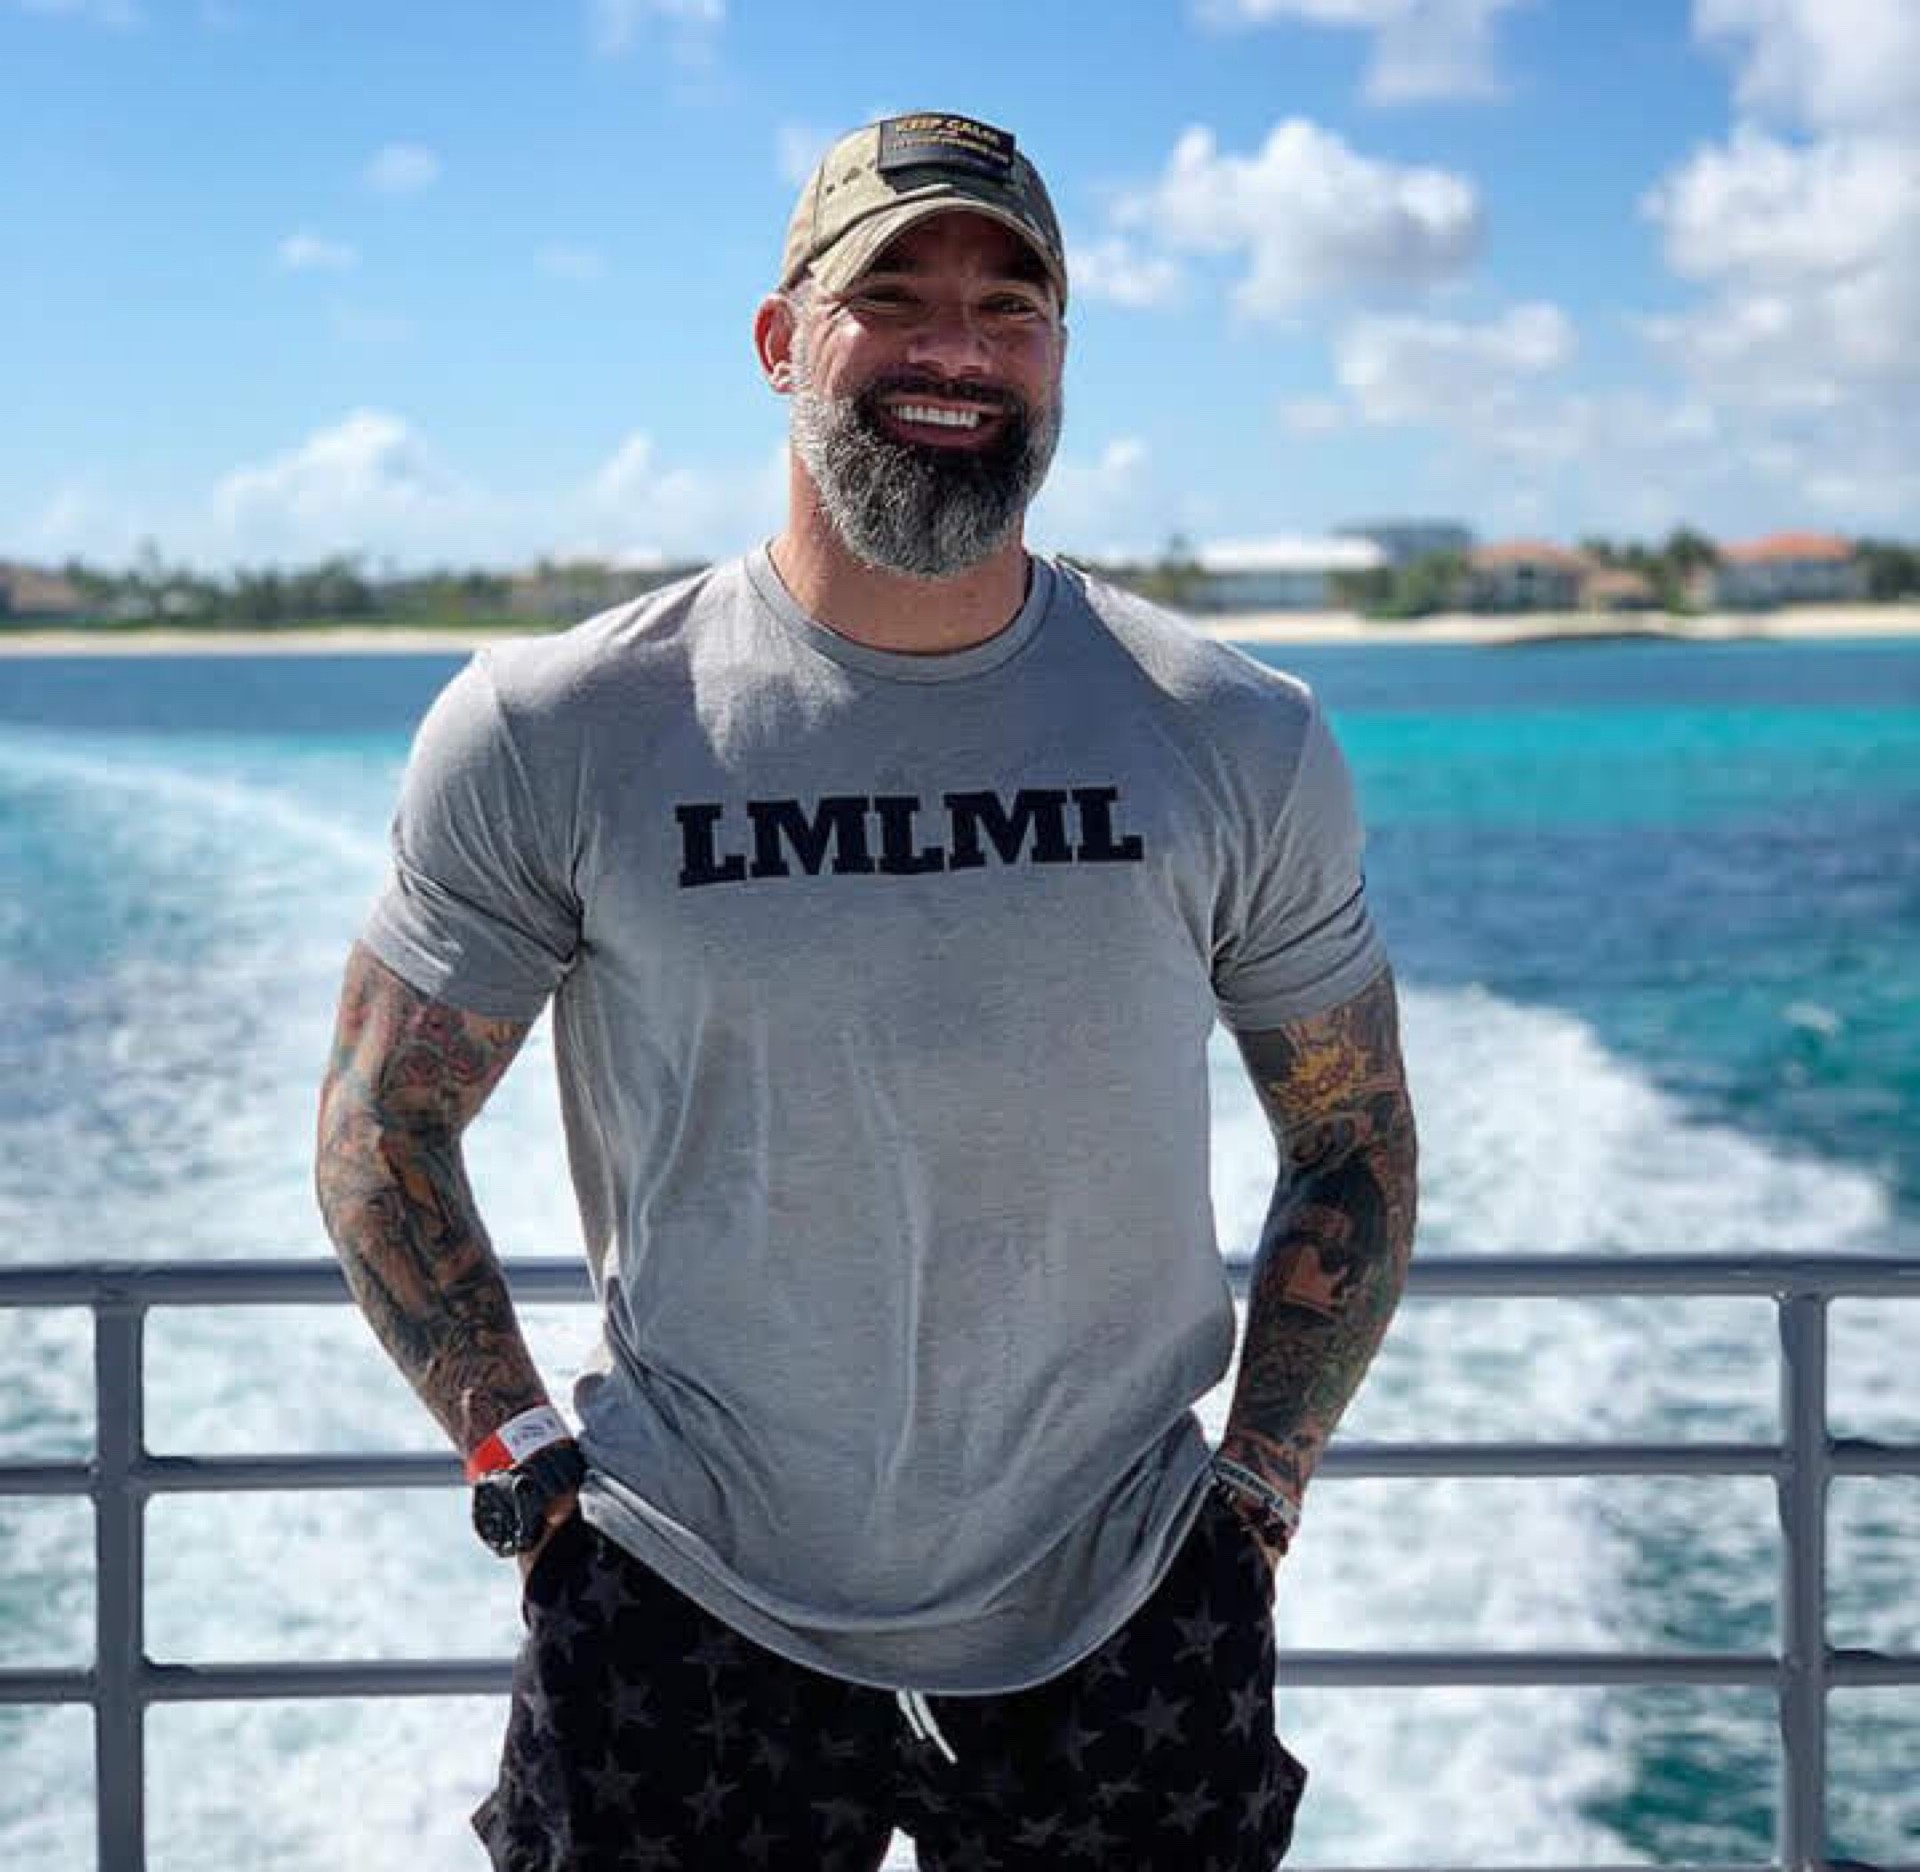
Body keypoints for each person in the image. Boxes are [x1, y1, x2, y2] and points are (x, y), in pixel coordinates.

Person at [315, 109, 1418, 1872]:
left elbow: (1351, 1138)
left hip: (1130, 1602)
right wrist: (519, 1466)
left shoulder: (1233, 734)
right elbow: (383, 1122)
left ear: (1061, 357)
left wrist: (1259, 1494)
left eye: (1009, 308)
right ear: (780, 341)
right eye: (891, 299)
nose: (955, 353)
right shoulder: (557, 728)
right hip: (682, 1597)